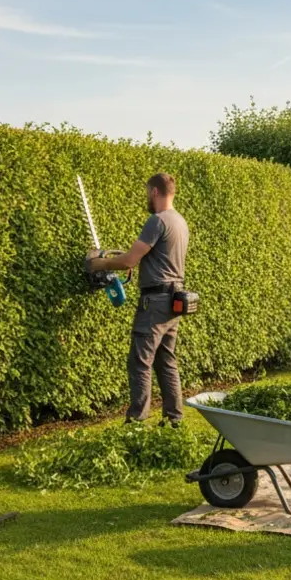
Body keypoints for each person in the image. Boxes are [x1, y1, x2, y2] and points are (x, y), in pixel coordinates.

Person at [86, 173, 189, 427]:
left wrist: (99, 262)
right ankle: (174, 420)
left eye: (147, 192)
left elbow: (129, 260)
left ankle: (136, 424)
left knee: (140, 362)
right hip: (173, 299)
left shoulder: (157, 221)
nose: (147, 197)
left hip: (154, 303)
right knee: (166, 361)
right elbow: (148, 257)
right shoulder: (180, 221)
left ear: (154, 192)